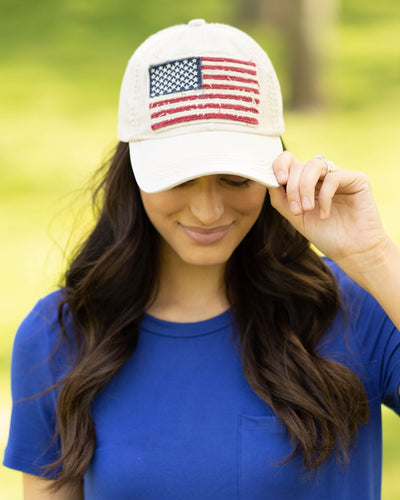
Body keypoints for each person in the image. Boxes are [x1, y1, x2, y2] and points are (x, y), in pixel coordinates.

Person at [3, 19, 400, 499]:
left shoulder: (357, 311)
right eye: (180, 179)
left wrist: (375, 256)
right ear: (133, 172)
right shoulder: (59, 336)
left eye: (235, 179)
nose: (208, 210)